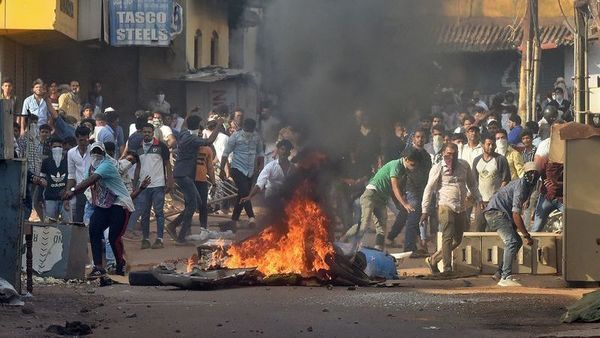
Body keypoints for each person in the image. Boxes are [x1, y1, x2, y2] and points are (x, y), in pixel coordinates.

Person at [62, 142, 136, 278]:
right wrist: (72, 191)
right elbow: (84, 184)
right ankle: (98, 267)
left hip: (120, 203)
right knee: (94, 230)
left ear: (103, 153)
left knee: (114, 237)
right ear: (91, 154)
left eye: (99, 152)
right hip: (104, 204)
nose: (96, 154)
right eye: (94, 152)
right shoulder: (91, 167)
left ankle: (120, 264)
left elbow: (91, 180)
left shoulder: (107, 165)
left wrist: (72, 191)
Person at [422, 143, 482, 275]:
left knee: (457, 239)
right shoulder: (438, 168)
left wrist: (479, 198)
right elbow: (429, 189)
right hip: (445, 204)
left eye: (454, 154)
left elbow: (472, 184)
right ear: (443, 153)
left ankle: (434, 259)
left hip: (461, 206)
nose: (451, 156)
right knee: (447, 236)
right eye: (448, 153)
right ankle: (447, 267)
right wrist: (424, 210)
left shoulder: (464, 165)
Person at [342, 149, 420, 251]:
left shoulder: (403, 170)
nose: (413, 168)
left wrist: (398, 205)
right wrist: (405, 204)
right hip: (371, 194)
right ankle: (348, 243)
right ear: (406, 159)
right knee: (364, 224)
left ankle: (378, 250)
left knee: (381, 229)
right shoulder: (396, 165)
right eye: (412, 164)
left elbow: (392, 190)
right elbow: (395, 187)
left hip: (381, 199)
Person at [483, 162, 538, 287]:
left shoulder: (528, 186)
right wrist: (526, 235)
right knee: (512, 241)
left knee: (516, 241)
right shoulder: (521, 185)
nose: (533, 176)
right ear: (525, 174)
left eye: (535, 173)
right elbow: (516, 215)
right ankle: (505, 276)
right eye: (530, 173)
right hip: (496, 213)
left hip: (500, 213)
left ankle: (499, 272)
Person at [166, 115, 219, 244]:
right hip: (184, 175)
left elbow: (184, 124)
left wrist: (190, 113)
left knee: (196, 203)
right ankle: (180, 234)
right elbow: (210, 140)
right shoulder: (192, 139)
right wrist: (219, 125)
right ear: (198, 126)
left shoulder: (184, 133)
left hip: (181, 174)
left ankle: (174, 227)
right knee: (193, 205)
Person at [127, 123, 173, 249]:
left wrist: (170, 181)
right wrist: (135, 184)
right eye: (145, 132)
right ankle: (145, 239)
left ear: (153, 133)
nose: (147, 134)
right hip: (143, 186)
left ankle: (159, 239)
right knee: (145, 213)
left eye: (149, 132)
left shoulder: (161, 146)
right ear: (142, 132)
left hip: (158, 184)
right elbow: (138, 166)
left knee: (159, 212)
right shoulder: (138, 147)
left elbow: (167, 164)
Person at [386, 130, 431, 254]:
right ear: (413, 139)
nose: (420, 139)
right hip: (411, 189)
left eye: (422, 137)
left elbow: (428, 173)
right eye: (418, 137)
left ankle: (391, 237)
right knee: (413, 219)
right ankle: (410, 247)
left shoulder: (426, 155)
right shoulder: (408, 152)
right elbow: (401, 172)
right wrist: (401, 191)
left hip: (423, 190)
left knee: (404, 214)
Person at [219, 118, 264, 228]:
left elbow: (260, 153)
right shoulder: (235, 136)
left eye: (251, 130)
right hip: (237, 168)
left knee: (241, 194)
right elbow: (225, 153)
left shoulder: (257, 137)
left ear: (253, 128)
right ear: (244, 127)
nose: (249, 132)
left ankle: (234, 220)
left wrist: (260, 166)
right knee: (245, 192)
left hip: (250, 170)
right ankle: (251, 217)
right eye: (247, 129)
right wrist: (221, 169)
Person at [471, 134, 511, 231]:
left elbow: (505, 180)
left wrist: (496, 197)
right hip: (481, 202)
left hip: (495, 202)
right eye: (488, 144)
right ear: (483, 145)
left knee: (493, 229)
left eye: (493, 145)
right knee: (478, 228)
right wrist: (477, 199)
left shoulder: (500, 159)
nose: (491, 147)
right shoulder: (477, 160)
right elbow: (474, 181)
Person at [240, 139, 295, 205]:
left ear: (289, 153)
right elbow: (260, 183)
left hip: (286, 195)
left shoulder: (293, 168)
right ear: (278, 151)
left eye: (287, 150)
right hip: (271, 195)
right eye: (282, 149)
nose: (284, 152)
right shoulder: (270, 166)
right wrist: (249, 196)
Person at [40, 136, 70, 222]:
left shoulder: (68, 161)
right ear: (50, 147)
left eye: (60, 147)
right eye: (55, 147)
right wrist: (40, 198)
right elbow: (41, 179)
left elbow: (71, 178)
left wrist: (67, 191)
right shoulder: (46, 162)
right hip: (50, 198)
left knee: (68, 223)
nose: (57, 149)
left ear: (63, 147)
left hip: (65, 198)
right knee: (49, 225)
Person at [66, 126, 92, 223]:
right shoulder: (71, 153)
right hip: (80, 189)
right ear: (76, 139)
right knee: (79, 217)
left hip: (94, 189)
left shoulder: (95, 150)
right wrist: (68, 191)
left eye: (86, 140)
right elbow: (71, 174)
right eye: (81, 140)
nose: (84, 143)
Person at [193, 136, 216, 229]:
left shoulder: (207, 149)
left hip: (202, 180)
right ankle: (186, 229)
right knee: (190, 205)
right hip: (190, 180)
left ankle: (203, 227)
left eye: (200, 134)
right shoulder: (189, 147)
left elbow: (210, 167)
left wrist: (214, 183)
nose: (198, 136)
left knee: (203, 205)